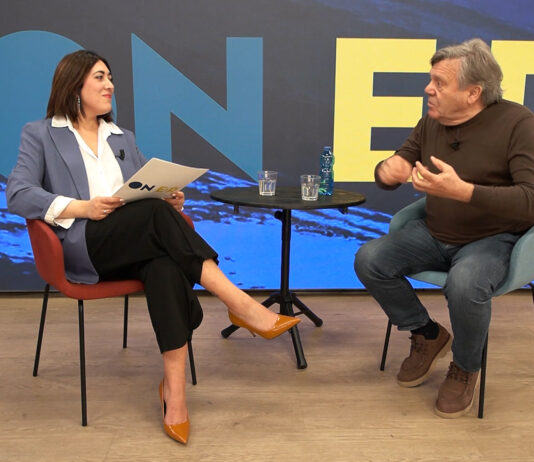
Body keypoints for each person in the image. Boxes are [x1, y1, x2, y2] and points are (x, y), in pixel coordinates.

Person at [7, 50, 300, 444]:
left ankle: (174, 394)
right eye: (100, 77)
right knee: (154, 219)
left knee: (163, 261)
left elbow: (143, 189)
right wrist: (83, 208)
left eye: (110, 77)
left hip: (134, 241)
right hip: (83, 247)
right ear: (74, 85)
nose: (110, 85)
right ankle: (240, 304)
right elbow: (18, 193)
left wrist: (169, 198)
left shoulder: (121, 138)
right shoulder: (40, 133)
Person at [354, 38, 534, 418]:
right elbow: (396, 166)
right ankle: (427, 334)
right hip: (434, 233)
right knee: (370, 259)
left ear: (473, 92)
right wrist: (388, 170)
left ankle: (465, 367)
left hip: (495, 239)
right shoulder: (431, 121)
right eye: (430, 79)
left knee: (465, 283)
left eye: (439, 82)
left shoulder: (518, 123)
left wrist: (465, 192)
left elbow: (530, 199)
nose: (428, 89)